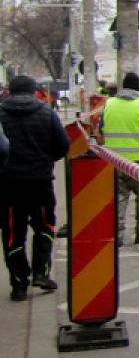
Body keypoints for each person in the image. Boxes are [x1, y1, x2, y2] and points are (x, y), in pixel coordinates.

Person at [0, 75, 70, 301]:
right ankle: (41, 272)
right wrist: (45, 160)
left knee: (13, 234)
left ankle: (19, 284)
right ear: (33, 91)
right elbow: (63, 145)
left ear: (10, 91)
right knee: (44, 226)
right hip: (40, 182)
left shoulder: (1, 114)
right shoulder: (46, 112)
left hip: (9, 185)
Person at [99, 72, 139, 246]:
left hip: (115, 162)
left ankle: (116, 236)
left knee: (119, 199)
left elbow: (101, 130)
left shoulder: (109, 104)